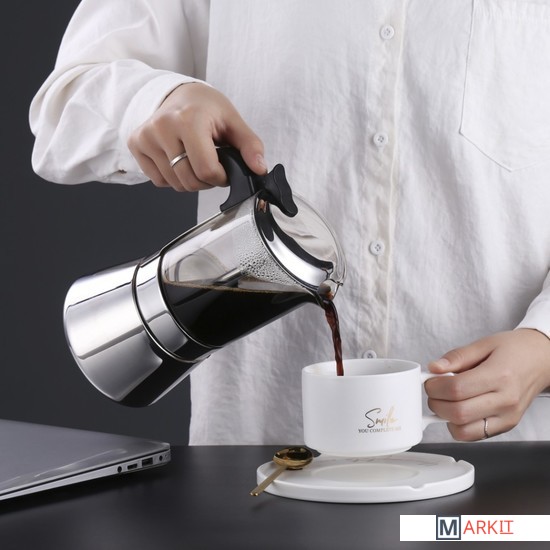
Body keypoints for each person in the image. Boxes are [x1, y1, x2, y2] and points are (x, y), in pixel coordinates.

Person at [30, 0, 550, 446]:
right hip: (259, 465)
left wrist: (543, 345)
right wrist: (156, 102)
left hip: (502, 471)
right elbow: (64, 105)